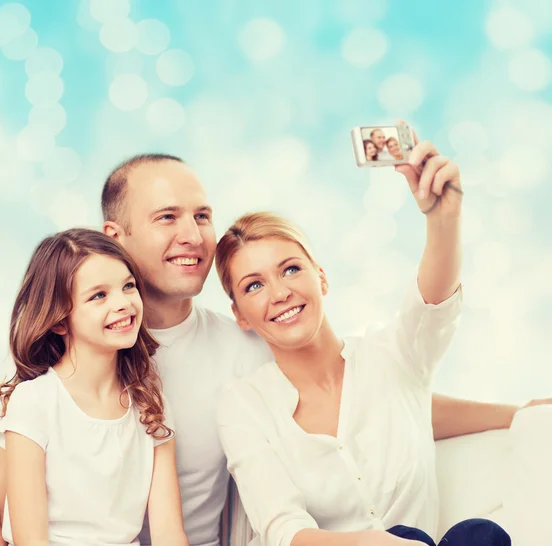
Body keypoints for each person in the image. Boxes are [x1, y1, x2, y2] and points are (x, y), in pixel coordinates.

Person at [0, 152, 545, 546]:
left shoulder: (246, 344)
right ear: (117, 237)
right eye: (166, 217)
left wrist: (517, 414)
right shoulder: (58, 375)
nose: (192, 235)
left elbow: (373, 399)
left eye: (202, 215)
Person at [214, 140, 510, 545]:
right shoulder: (243, 405)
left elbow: (432, 306)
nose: (279, 293)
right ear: (240, 316)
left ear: (321, 277)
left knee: (479, 536)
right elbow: (284, 529)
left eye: (290, 269)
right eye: (254, 286)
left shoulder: (392, 357)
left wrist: (444, 218)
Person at [0, 228, 188, 546]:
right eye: (99, 295)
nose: (123, 303)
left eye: (128, 286)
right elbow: (31, 540)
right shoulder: (34, 401)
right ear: (59, 321)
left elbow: (169, 533)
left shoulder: (150, 402)